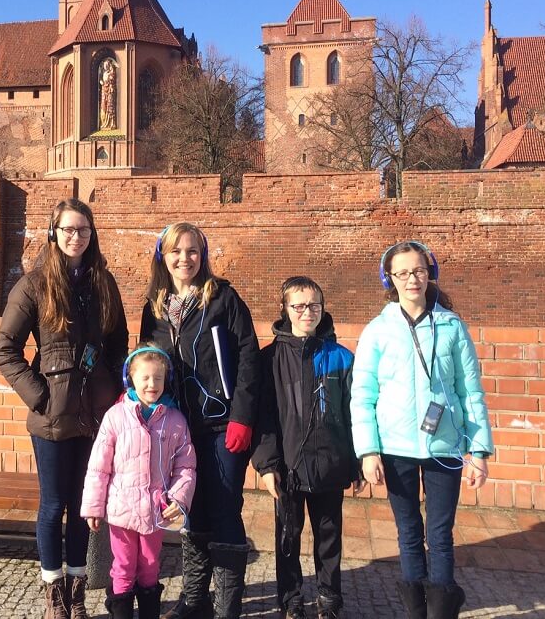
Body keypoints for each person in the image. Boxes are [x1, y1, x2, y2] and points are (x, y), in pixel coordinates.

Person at [0, 198, 129, 619]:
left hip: (95, 416)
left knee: (82, 505)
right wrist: (41, 397)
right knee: (54, 506)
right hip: (52, 417)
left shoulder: (102, 282)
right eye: (69, 229)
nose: (76, 237)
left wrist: (111, 385)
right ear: (53, 233)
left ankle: (77, 594)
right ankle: (54, 593)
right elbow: (6, 350)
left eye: (83, 230)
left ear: (92, 234)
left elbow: (119, 340)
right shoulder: (34, 284)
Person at [351, 241, 493, 619]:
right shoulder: (378, 330)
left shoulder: (452, 326)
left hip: (444, 445)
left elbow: (471, 391)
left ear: (430, 274)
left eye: (418, 271)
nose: (412, 279)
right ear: (389, 279)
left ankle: (441, 612)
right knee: (409, 533)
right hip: (394, 447)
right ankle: (416, 612)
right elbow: (362, 394)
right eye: (403, 273)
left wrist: (478, 451)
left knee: (441, 536)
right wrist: (368, 451)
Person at [139, 222, 261, 619]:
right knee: (190, 511)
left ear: (202, 256)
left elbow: (248, 356)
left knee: (225, 508)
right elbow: (145, 363)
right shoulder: (153, 307)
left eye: (192, 251)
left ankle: (228, 608)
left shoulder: (222, 298)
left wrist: (242, 414)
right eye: (176, 251)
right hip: (177, 427)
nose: (184, 259)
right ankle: (196, 601)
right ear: (163, 256)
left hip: (222, 424)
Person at [252, 276, 358, 619]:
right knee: (287, 540)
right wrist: (268, 466)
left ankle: (329, 597)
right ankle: (291, 599)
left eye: (314, 305)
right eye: (298, 305)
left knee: (329, 539)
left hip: (330, 464)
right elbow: (263, 417)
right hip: (288, 469)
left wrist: (356, 462)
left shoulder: (341, 357)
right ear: (285, 310)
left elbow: (354, 411)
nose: (307, 312)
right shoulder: (268, 360)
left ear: (323, 309)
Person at [81, 345, 197, 619]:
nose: (151, 384)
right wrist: (93, 507)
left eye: (158, 378)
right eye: (144, 378)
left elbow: (186, 466)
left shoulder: (176, 421)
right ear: (130, 378)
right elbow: (98, 467)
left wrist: (179, 499)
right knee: (122, 567)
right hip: (121, 512)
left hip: (154, 513)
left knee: (149, 566)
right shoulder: (115, 417)